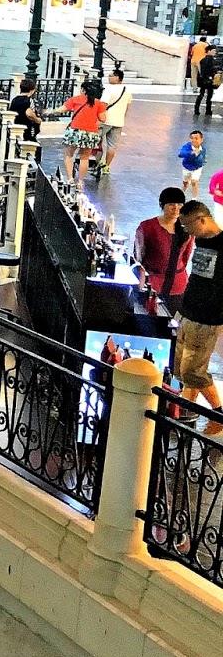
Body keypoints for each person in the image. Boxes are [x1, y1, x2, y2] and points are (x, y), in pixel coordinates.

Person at [175, 201, 223, 434]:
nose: (186, 231)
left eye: (187, 225)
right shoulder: (202, 241)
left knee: (192, 371)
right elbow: (196, 277)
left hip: (208, 318)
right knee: (181, 367)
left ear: (201, 220)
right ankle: (187, 410)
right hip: (188, 312)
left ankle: (218, 413)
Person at [135, 187, 193, 315]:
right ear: (162, 205)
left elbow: (186, 257)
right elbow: (138, 256)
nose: (176, 208)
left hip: (178, 286)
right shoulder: (147, 227)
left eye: (179, 204)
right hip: (153, 284)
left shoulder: (188, 228)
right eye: (171, 204)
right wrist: (142, 278)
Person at [56, 80, 107, 183]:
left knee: (69, 154)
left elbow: (61, 109)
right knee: (84, 158)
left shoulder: (76, 99)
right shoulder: (98, 103)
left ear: (83, 90)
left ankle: (70, 179)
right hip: (91, 133)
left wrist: (49, 112)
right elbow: (103, 119)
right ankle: (80, 181)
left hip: (75, 131)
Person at [98, 69, 132, 173]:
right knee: (112, 145)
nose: (108, 78)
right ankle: (107, 166)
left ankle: (97, 161)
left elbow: (103, 105)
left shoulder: (109, 89)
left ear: (117, 77)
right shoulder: (127, 90)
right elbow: (127, 107)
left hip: (105, 120)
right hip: (119, 122)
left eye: (110, 76)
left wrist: (98, 118)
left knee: (96, 140)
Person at [8, 77, 42, 143]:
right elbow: (29, 113)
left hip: (16, 127)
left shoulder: (14, 100)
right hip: (27, 128)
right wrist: (37, 120)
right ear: (32, 90)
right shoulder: (29, 100)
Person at [182, 130, 208, 198]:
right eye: (192, 138)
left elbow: (203, 157)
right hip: (187, 167)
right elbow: (181, 154)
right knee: (185, 183)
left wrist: (203, 160)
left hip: (197, 168)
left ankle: (194, 198)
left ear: (201, 140)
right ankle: (182, 193)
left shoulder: (203, 149)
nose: (194, 140)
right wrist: (191, 153)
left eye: (196, 138)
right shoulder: (187, 147)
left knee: (194, 181)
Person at [197, 42, 220, 118]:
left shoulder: (203, 59)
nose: (215, 52)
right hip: (208, 79)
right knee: (209, 95)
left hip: (203, 79)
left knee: (201, 94)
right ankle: (208, 110)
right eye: (213, 50)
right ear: (209, 51)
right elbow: (211, 68)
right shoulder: (210, 59)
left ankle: (197, 109)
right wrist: (216, 71)